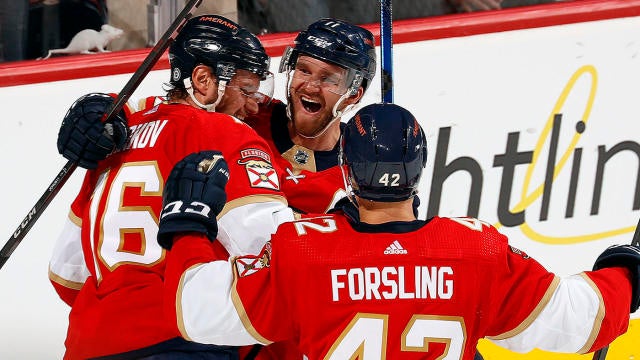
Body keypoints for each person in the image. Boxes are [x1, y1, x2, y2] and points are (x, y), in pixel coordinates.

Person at [159, 103, 638, 359]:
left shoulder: (301, 251)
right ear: (421, 168)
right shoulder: (474, 247)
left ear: (346, 171)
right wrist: (624, 277)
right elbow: (581, 320)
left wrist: (188, 228)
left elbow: (198, 312)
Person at [48, 14, 294, 359]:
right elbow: (276, 251)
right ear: (204, 80)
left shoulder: (117, 137)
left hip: (88, 344)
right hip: (180, 340)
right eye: (246, 89)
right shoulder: (224, 132)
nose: (254, 104)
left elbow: (65, 273)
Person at [245, 17, 376, 215]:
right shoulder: (249, 114)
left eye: (328, 79)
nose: (310, 87)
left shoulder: (361, 169)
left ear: (353, 94)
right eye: (304, 71)